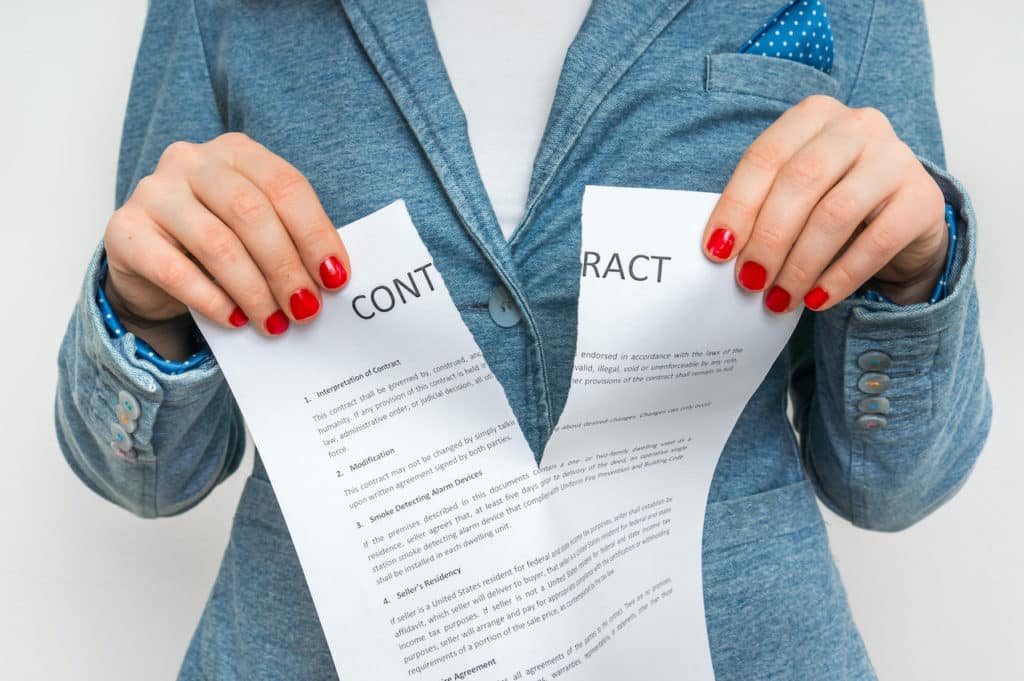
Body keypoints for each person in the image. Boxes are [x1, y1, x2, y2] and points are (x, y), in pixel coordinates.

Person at [54, 0, 991, 679]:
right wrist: (143, 309)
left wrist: (914, 277)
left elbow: (891, 485)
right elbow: (148, 475)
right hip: (308, 647)